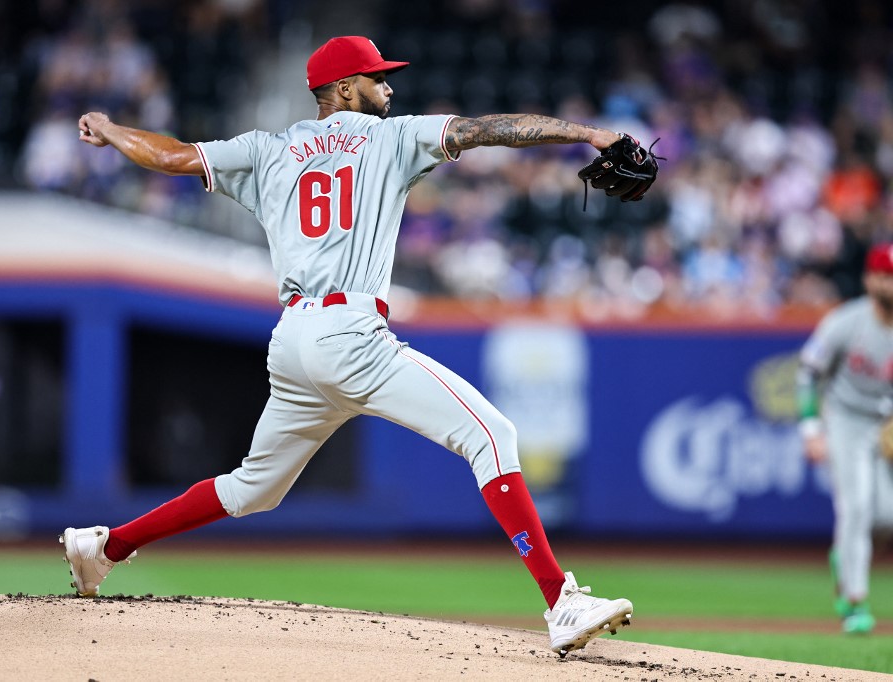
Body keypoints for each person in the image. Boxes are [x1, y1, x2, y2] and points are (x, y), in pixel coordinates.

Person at [61, 35, 634, 656]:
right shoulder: (390, 137)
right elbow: (487, 129)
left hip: (293, 341)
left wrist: (114, 130)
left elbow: (171, 157)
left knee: (253, 490)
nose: (389, 86)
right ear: (341, 89)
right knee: (490, 436)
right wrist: (590, 133)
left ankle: (104, 547)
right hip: (350, 335)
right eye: (376, 77)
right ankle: (561, 602)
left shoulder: (268, 149)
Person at [799, 243, 893, 635]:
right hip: (845, 419)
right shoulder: (847, 321)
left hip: (882, 424)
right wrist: (811, 429)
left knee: (884, 515)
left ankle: (843, 554)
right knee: (855, 509)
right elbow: (808, 371)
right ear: (869, 279)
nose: (890, 283)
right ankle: (854, 601)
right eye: (885, 274)